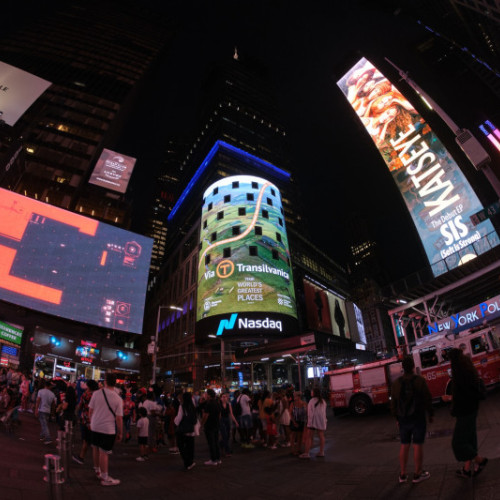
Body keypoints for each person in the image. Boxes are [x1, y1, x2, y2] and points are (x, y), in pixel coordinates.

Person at [445, 348, 488, 477]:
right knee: (470, 438)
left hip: (465, 411)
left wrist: (449, 398)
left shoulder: (459, 373)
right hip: (473, 408)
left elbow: (462, 395)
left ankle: (480, 461)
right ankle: (467, 469)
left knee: (458, 442)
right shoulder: (468, 367)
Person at [391, 355, 433, 484]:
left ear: (402, 368)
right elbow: (427, 398)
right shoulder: (419, 380)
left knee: (404, 444)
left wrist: (396, 418)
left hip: (403, 418)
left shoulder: (396, 383)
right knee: (417, 444)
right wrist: (430, 414)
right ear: (413, 366)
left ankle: (403, 474)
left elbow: (394, 403)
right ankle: (418, 473)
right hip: (418, 417)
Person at [89, 373, 123, 486]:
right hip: (107, 429)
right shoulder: (118, 399)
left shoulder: (96, 394)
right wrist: (120, 432)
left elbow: (90, 411)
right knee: (104, 452)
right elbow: (118, 418)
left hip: (95, 426)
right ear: (115, 383)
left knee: (95, 447)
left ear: (105, 381)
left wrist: (92, 422)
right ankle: (105, 478)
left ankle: (97, 470)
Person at [73, 379, 99, 465]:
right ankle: (97, 462)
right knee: (93, 442)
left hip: (85, 419)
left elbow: (80, 405)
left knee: (85, 440)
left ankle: (81, 457)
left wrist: (76, 414)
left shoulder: (86, 395)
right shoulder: (97, 395)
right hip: (95, 420)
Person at [300, 387, 327, 459]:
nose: (311, 393)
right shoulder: (323, 401)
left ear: (314, 393)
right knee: (321, 436)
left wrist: (308, 422)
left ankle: (306, 453)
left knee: (309, 436)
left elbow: (309, 413)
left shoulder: (312, 401)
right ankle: (321, 452)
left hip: (313, 421)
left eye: (312, 392)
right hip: (321, 420)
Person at [174, 392, 197, 470]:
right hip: (191, 429)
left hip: (183, 430)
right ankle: (190, 462)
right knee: (190, 447)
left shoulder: (182, 406)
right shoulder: (193, 406)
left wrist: (175, 422)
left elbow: (178, 418)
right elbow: (195, 419)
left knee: (181, 446)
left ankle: (187, 463)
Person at [201, 389, 221, 465]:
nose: (205, 396)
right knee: (216, 442)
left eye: (205, 394)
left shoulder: (209, 404)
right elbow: (219, 415)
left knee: (211, 443)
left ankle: (213, 460)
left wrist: (201, 424)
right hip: (216, 424)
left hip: (209, 425)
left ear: (209, 395)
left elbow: (205, 416)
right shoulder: (217, 402)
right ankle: (218, 459)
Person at [35, 379, 56, 445]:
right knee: (44, 424)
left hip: (42, 409)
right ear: (50, 386)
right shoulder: (52, 394)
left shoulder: (40, 391)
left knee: (44, 425)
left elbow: (38, 401)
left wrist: (36, 409)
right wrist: (53, 413)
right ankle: (42, 435)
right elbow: (53, 405)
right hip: (48, 411)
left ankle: (48, 438)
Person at [219, 392, 238, 456]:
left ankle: (221, 444)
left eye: (225, 397)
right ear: (220, 398)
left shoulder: (229, 405)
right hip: (221, 420)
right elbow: (219, 415)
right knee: (224, 435)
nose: (224, 398)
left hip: (227, 420)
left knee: (228, 436)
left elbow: (231, 414)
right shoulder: (219, 405)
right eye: (223, 397)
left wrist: (235, 422)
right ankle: (227, 451)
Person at [289, 391, 307, 456]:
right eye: (293, 396)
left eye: (295, 396)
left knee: (299, 436)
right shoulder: (292, 404)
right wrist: (294, 422)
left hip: (301, 422)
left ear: (299, 396)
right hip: (294, 421)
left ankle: (298, 450)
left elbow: (307, 414)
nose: (294, 397)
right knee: (293, 436)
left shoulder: (304, 404)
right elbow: (290, 413)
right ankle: (293, 450)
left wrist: (306, 422)